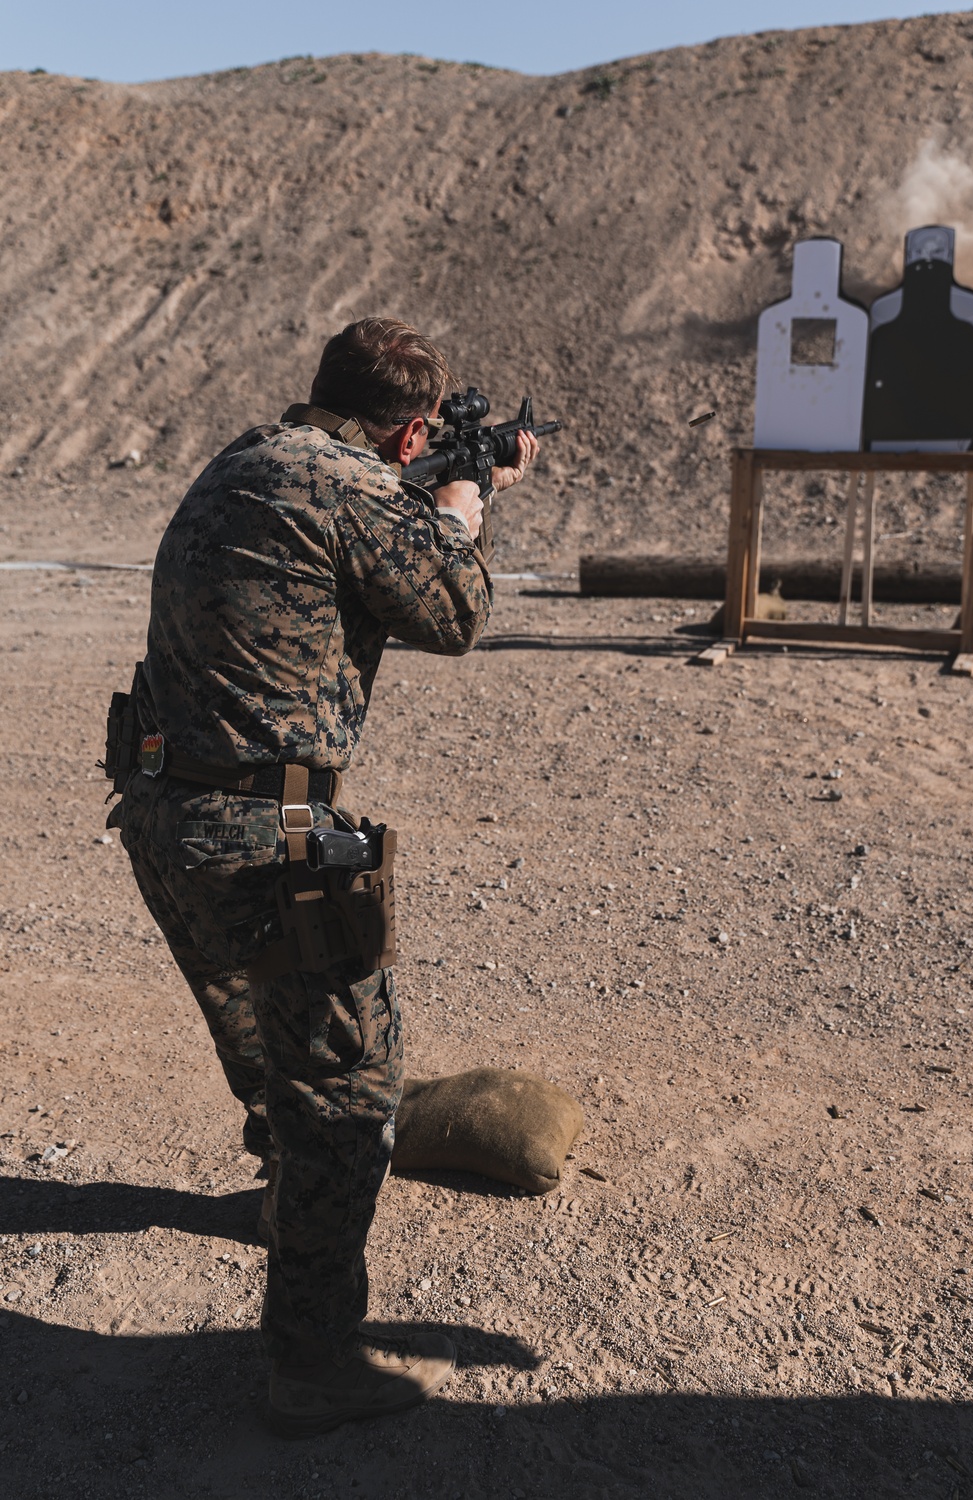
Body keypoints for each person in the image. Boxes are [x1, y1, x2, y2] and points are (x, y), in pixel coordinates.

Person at [110, 317, 538, 1436]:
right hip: (269, 839)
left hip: (164, 816)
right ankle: (312, 1363)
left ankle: (279, 1197)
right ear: (409, 435)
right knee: (349, 1093)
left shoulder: (246, 458)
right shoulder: (360, 488)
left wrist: (443, 491)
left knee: (265, 1034)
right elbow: (457, 614)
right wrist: (458, 515)